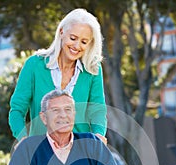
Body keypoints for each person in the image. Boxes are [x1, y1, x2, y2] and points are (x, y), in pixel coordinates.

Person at [9, 8, 107, 144]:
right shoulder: (34, 65)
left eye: (84, 42)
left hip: (79, 153)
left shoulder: (92, 70)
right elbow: (17, 109)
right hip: (40, 151)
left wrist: (98, 136)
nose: (77, 46)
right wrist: (24, 139)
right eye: (73, 38)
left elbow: (97, 110)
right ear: (61, 32)